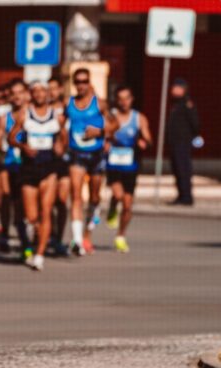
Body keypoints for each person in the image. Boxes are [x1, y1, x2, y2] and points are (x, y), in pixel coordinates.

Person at [10, 81, 65, 271]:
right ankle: (36, 237)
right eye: (36, 91)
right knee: (32, 216)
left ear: (48, 94)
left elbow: (64, 137)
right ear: (31, 94)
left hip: (49, 167)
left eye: (43, 91)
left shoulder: (56, 115)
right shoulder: (25, 114)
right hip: (29, 168)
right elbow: (11, 137)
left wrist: (60, 146)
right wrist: (23, 146)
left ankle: (39, 254)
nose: (40, 94)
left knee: (46, 211)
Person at [64, 68, 117, 255]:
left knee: (94, 198)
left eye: (84, 81)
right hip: (76, 154)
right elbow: (61, 124)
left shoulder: (100, 104)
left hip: (96, 155)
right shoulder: (68, 103)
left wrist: (100, 132)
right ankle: (77, 240)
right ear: (74, 83)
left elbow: (115, 124)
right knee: (76, 196)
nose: (81, 85)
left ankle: (88, 233)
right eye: (78, 81)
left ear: (89, 82)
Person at [104, 85, 152, 253]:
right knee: (118, 195)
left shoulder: (139, 118)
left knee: (127, 205)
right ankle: (112, 206)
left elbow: (149, 138)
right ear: (116, 100)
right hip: (113, 163)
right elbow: (103, 134)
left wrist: (144, 142)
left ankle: (121, 236)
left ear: (132, 100)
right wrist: (106, 142)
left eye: (127, 98)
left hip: (131, 165)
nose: (124, 102)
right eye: (121, 99)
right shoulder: (111, 116)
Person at [0, 79, 30, 255]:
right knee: (6, 199)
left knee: (22, 204)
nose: (16, 97)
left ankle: (25, 238)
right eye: (13, 93)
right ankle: (5, 234)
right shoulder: (4, 118)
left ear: (26, 94)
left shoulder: (32, 115)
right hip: (8, 164)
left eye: (20, 92)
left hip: (28, 166)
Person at [166, 78, 200, 206]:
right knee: (177, 169)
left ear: (183, 89)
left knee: (183, 169)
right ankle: (181, 195)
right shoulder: (175, 104)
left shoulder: (187, 104)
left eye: (176, 87)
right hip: (174, 142)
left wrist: (190, 137)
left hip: (182, 142)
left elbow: (195, 123)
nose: (172, 90)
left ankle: (186, 197)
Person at [48, 77, 70, 256]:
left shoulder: (69, 108)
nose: (51, 92)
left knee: (61, 201)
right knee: (47, 201)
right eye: (49, 89)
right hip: (47, 160)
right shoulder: (43, 109)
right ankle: (49, 231)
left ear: (61, 89)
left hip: (66, 160)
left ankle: (59, 238)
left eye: (54, 88)